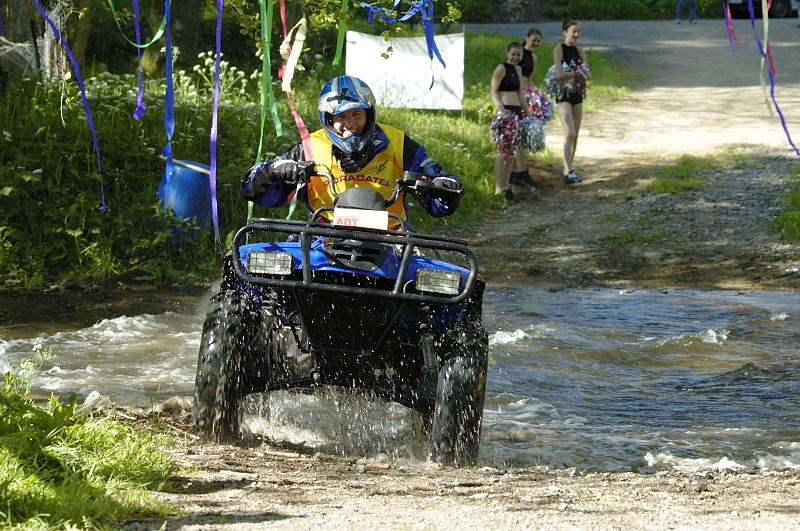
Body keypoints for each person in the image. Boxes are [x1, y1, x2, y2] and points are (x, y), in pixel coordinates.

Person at [241, 75, 463, 227]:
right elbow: (254, 187)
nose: (350, 123)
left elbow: (441, 192)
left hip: (392, 238)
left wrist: (441, 186)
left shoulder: (400, 144)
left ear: (368, 114)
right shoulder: (309, 148)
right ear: (328, 119)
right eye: (341, 116)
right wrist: (274, 171)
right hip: (323, 237)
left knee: (444, 285)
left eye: (356, 114)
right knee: (255, 266)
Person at [553, 19, 590, 185]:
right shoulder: (559, 49)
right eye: (573, 31)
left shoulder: (580, 50)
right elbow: (559, 75)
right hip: (563, 94)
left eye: (578, 31)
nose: (576, 35)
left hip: (577, 93)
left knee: (575, 134)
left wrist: (579, 74)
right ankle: (567, 170)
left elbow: (587, 73)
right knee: (569, 131)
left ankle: (570, 168)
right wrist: (576, 74)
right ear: (565, 32)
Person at [489, 42, 527, 202]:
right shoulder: (501, 68)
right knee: (502, 150)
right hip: (505, 112)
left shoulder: (518, 69)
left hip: (517, 112)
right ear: (507, 53)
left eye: (518, 55)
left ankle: (506, 186)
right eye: (513, 54)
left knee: (512, 151)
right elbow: (494, 91)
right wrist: (501, 109)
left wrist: (528, 113)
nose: (515, 57)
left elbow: (521, 93)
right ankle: (499, 187)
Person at [511, 28, 544, 189]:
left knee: (521, 135)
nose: (536, 43)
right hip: (514, 95)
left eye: (539, 41)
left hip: (525, 96)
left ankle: (519, 170)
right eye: (534, 40)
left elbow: (529, 80)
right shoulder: (518, 53)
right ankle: (519, 171)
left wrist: (537, 96)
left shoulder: (534, 57)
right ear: (526, 38)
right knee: (516, 134)